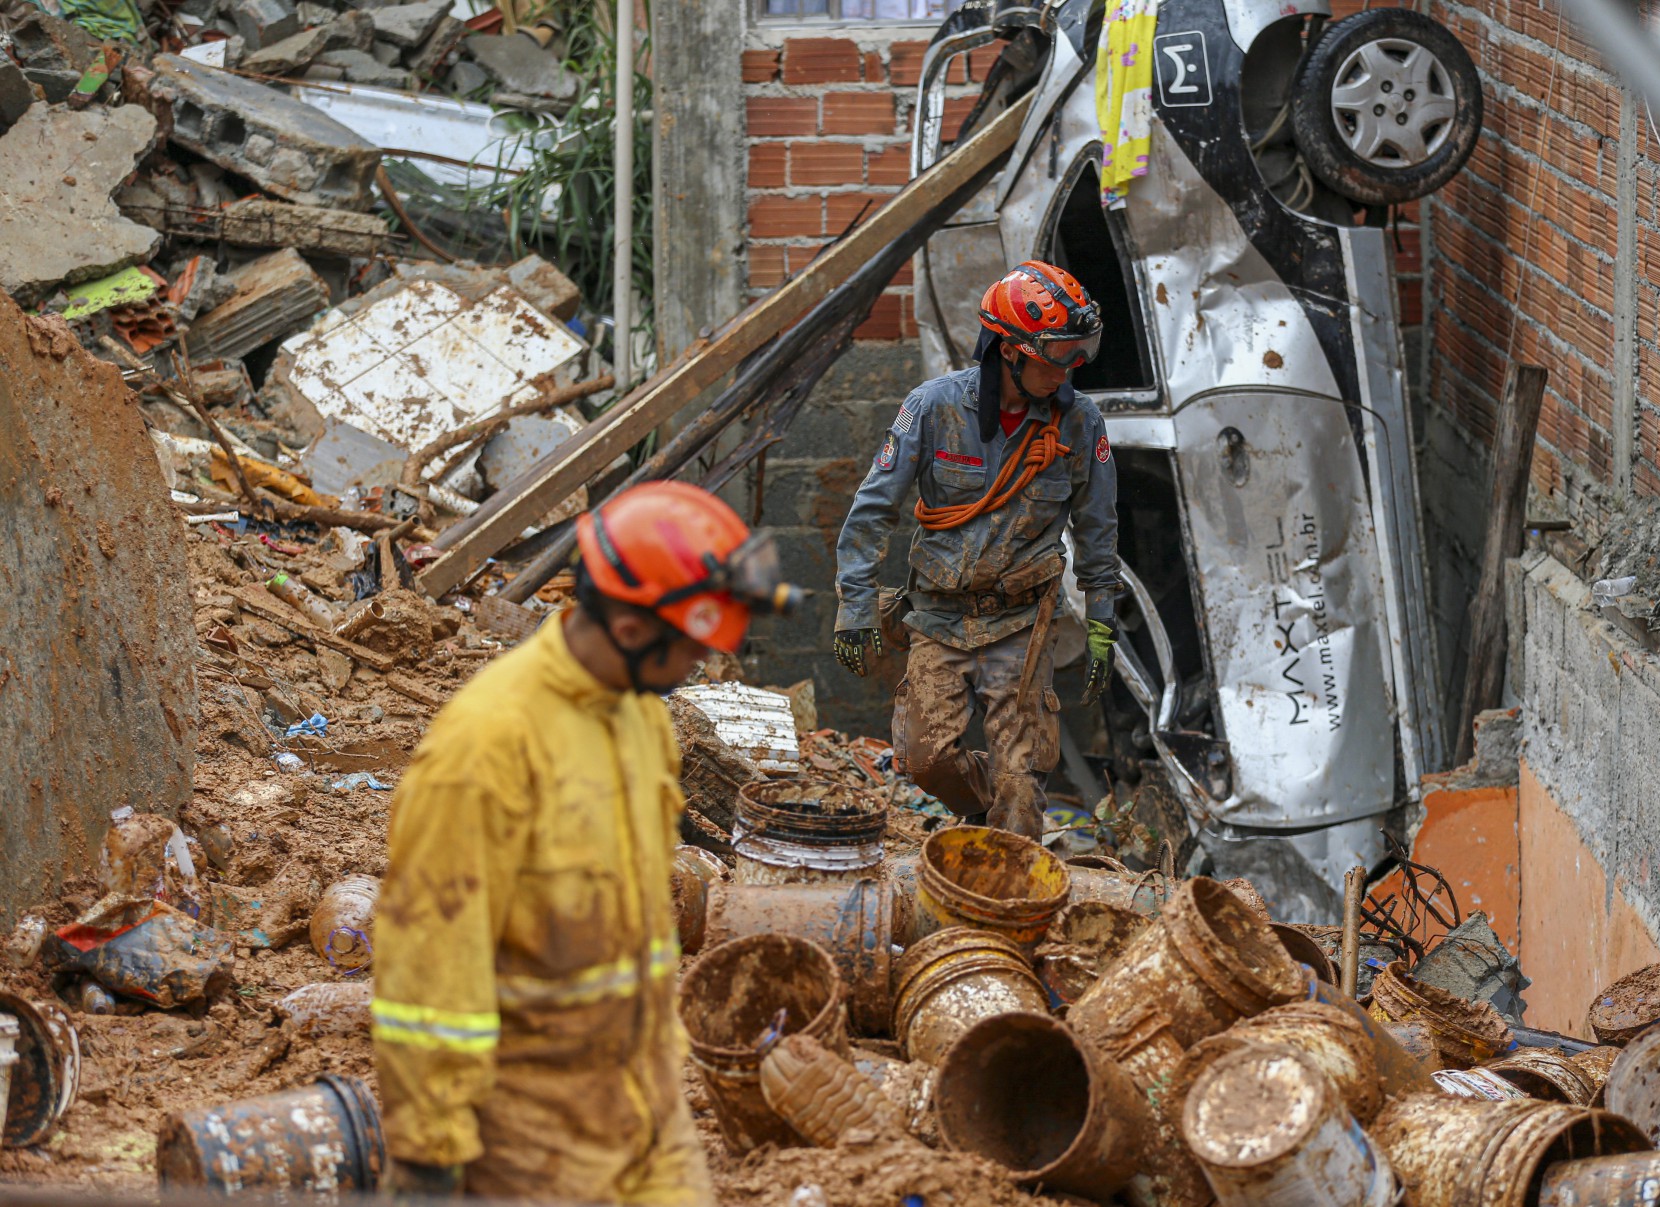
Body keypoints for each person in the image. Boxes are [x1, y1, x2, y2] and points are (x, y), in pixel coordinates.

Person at [373, 481, 802, 1204]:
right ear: (632, 629)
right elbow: (429, 968)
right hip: (532, 1135)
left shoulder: (642, 719)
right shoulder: (487, 747)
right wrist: (428, 1154)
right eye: (691, 646)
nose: (700, 662)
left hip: (644, 1106)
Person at [833, 260, 1121, 838]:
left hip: (1023, 623)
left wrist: (1102, 621)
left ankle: (1012, 874)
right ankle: (987, 808)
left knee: (1021, 781)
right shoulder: (932, 408)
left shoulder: (1079, 422)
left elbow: (1098, 527)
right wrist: (855, 607)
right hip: (939, 617)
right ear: (1008, 351)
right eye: (1057, 355)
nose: (1070, 368)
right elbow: (873, 508)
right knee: (925, 761)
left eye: (1079, 352)